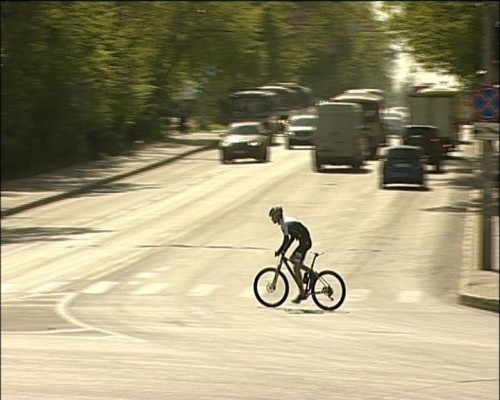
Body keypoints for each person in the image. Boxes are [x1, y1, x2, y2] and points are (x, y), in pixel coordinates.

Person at [268, 205, 312, 304]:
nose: (272, 219)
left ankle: (302, 292)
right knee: (293, 260)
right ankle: (311, 273)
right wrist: (284, 251)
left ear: (277, 216)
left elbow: (286, 240)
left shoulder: (284, 224)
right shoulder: (286, 221)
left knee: (296, 267)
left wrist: (280, 251)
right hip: (304, 241)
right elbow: (292, 237)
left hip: (305, 242)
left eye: (272, 217)